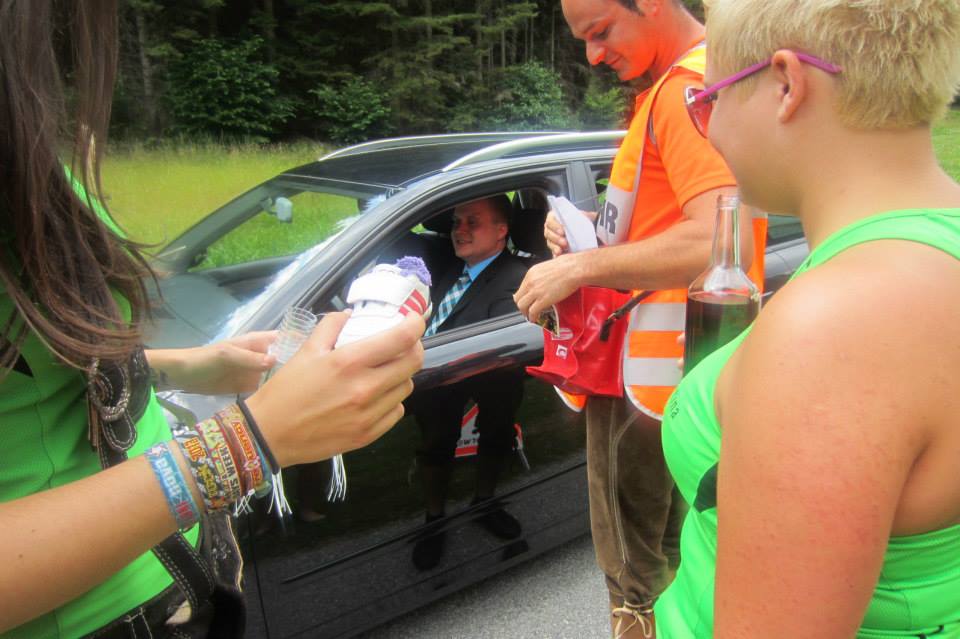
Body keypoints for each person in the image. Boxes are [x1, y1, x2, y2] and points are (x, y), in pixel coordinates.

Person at [0, 2, 424, 637]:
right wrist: (248, 442)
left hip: (184, 574)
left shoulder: (22, 146)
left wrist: (191, 366)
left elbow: (38, 377)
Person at [653, 1, 960, 637]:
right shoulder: (931, 246)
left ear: (785, 85)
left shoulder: (840, 325)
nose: (710, 130)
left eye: (709, 100)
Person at [514, 1, 761, 636]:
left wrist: (578, 269)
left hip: (649, 376)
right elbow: (670, 221)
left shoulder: (683, 91)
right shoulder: (709, 76)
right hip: (683, 367)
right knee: (687, 550)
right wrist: (587, 234)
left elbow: (717, 239)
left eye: (601, 31)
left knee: (635, 573)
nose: (593, 55)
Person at [410, 195, 528, 570]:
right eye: (456, 222)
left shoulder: (516, 277)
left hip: (487, 378)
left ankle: (484, 502)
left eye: (472, 222)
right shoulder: (449, 264)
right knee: (434, 445)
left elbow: (501, 346)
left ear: (501, 231)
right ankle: (434, 519)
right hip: (433, 381)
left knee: (495, 434)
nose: (459, 230)